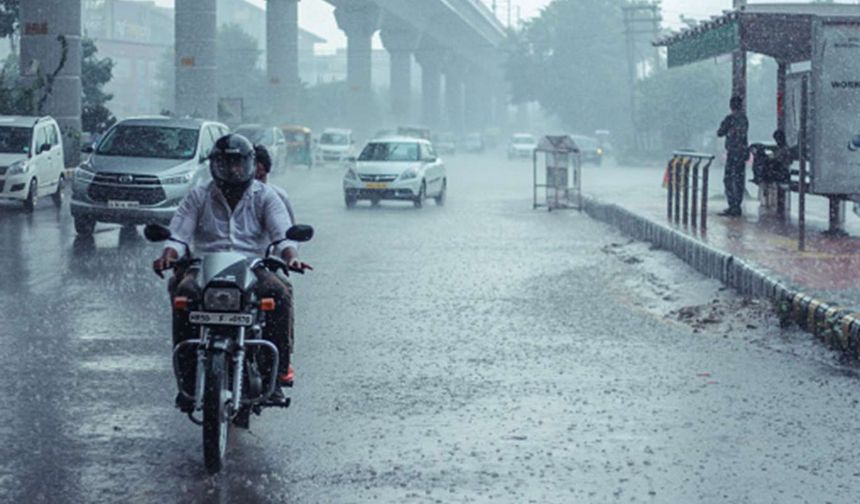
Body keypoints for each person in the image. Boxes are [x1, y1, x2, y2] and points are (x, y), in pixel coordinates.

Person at [152, 134, 308, 410]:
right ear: (215, 165)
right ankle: (186, 378)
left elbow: (283, 235)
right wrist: (168, 255)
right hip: (204, 267)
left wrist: (291, 257)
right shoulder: (198, 195)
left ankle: (278, 371)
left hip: (253, 267)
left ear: (250, 165)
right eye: (225, 163)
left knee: (280, 292)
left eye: (238, 163)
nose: (232, 169)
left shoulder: (266, 196)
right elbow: (178, 235)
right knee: (182, 294)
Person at [717, 96, 749, 216]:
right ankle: (738, 205)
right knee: (739, 179)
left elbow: (720, 132)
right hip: (742, 153)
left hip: (733, 153)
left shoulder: (730, 118)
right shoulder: (744, 119)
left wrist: (724, 126)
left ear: (731, 106)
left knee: (729, 179)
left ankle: (732, 205)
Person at [254, 144, 296, 224]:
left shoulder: (280, 196)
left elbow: (289, 230)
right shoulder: (233, 199)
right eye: (253, 179)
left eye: (261, 177)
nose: (257, 184)